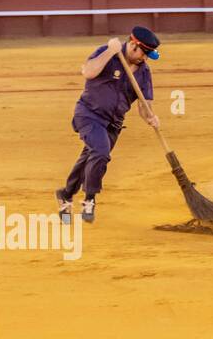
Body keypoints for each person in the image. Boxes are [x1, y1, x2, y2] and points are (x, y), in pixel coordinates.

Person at [55, 27, 163, 223]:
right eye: (144, 53)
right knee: (101, 152)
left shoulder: (144, 72)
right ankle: (90, 199)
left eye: (148, 55)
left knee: (90, 157)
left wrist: (151, 117)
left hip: (113, 124)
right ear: (132, 45)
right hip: (89, 114)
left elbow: (143, 104)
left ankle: (66, 194)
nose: (145, 59)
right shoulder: (107, 53)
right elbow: (88, 72)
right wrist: (109, 51)